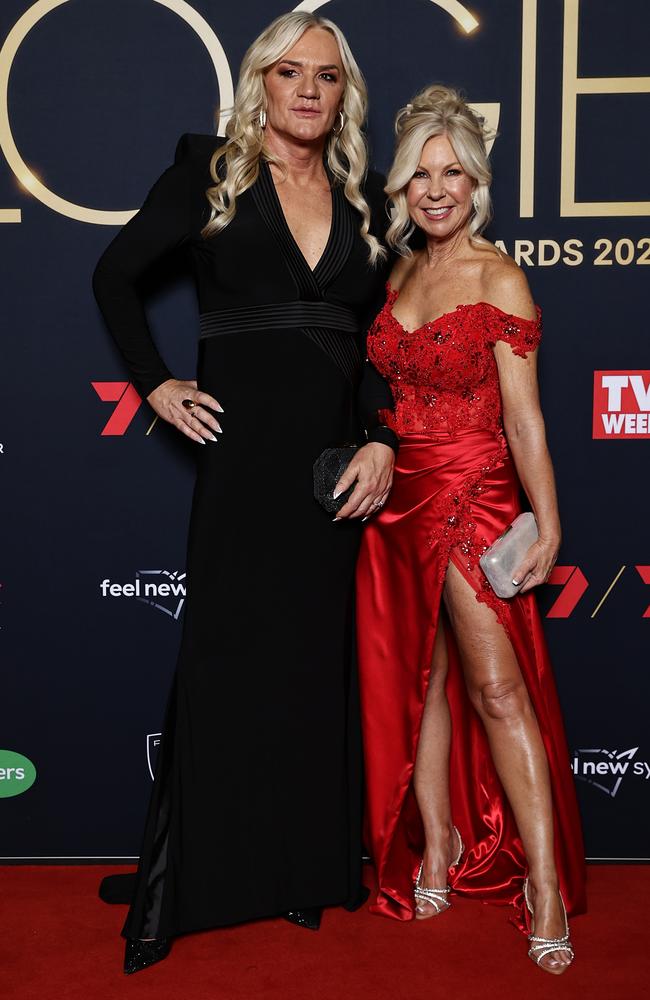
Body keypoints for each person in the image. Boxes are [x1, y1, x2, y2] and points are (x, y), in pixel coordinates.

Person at [92, 11, 397, 974]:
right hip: (241, 462)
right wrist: (156, 382)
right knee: (224, 660)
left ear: (345, 95)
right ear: (261, 80)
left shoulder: (361, 198)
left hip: (329, 475)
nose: (309, 89)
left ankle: (297, 870)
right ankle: (182, 882)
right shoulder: (211, 175)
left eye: (329, 77)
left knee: (310, 670)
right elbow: (115, 276)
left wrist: (383, 440)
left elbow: (374, 350)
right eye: (291, 71)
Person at [355, 85, 586, 975]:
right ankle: (441, 847)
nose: (435, 188)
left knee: (497, 691)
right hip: (394, 501)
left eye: (452, 173)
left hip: (471, 495)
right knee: (423, 684)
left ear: (476, 183)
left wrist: (548, 522)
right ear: (402, 185)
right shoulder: (397, 271)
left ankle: (545, 887)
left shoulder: (498, 275)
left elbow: (524, 419)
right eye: (420, 173)